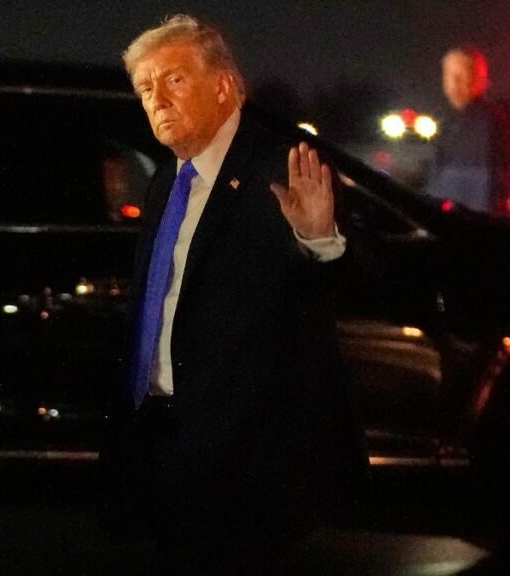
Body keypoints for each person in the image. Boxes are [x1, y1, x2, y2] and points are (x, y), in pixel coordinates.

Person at [99, 15, 367, 575]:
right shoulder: (164, 183)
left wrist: (318, 238)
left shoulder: (283, 166)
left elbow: (351, 290)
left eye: (172, 81)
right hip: (166, 439)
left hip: (247, 456)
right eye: (145, 89)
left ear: (222, 86)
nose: (157, 101)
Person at [426, 46, 510, 214]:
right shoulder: (450, 122)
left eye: (461, 75)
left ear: (479, 80)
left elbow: (482, 192)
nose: (453, 83)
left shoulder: (485, 123)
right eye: (448, 74)